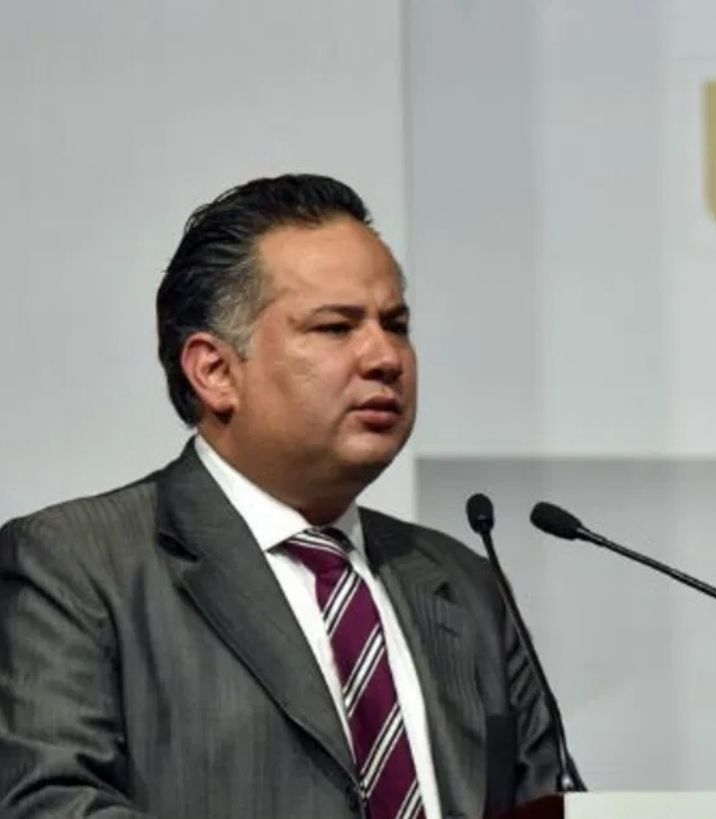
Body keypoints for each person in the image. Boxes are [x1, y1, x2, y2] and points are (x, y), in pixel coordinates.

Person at [0, 174, 571, 819]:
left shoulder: (463, 583)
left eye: (396, 324)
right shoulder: (76, 565)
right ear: (215, 370)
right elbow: (50, 802)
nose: (385, 357)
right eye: (336, 327)